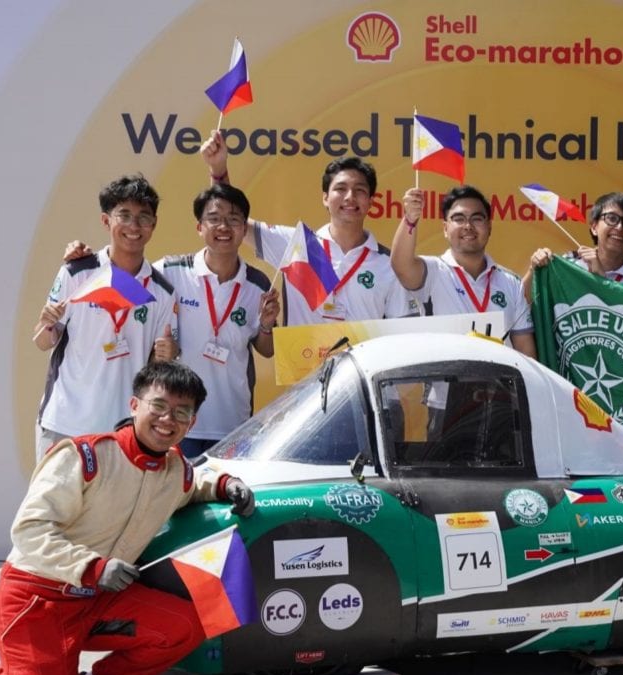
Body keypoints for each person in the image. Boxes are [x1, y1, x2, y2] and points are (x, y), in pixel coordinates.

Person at [0, 362, 256, 675]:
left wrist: (225, 485)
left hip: (98, 601)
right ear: (134, 406)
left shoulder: (174, 470)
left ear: (192, 423)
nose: (168, 419)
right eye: (159, 406)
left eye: (182, 412)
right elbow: (29, 530)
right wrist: (91, 567)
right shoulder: (86, 457)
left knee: (185, 627)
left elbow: (193, 486)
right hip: (36, 602)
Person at [63, 184, 282, 459]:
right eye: (214, 219)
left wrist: (266, 324)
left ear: (243, 229)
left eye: (234, 219)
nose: (223, 227)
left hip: (232, 421)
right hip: (175, 422)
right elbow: (122, 275)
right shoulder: (169, 271)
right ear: (199, 227)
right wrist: (84, 256)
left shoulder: (258, 283)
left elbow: (267, 349)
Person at [200, 129, 416, 325]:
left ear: (370, 201)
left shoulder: (388, 264)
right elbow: (234, 222)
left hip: (359, 369)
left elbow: (400, 333)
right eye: (340, 189)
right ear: (325, 198)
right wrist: (218, 169)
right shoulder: (298, 244)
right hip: (302, 367)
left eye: (359, 190)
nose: (350, 197)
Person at [34, 175, 179, 459]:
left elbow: (157, 365)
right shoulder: (77, 273)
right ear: (106, 220)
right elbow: (42, 341)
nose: (134, 226)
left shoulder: (162, 292)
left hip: (121, 431)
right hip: (64, 423)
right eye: (123, 215)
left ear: (154, 224)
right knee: (55, 505)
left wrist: (168, 355)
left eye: (143, 217)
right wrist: (46, 322)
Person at [390, 185, 537, 358]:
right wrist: (409, 220)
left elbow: (525, 350)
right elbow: (401, 266)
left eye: (477, 219)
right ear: (445, 228)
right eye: (458, 219)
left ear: (489, 227)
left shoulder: (511, 282)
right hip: (445, 383)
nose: (468, 226)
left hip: (499, 384)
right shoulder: (433, 271)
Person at [524, 191, 623, 297]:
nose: (619, 227)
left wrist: (601, 281)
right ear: (594, 227)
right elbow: (522, 304)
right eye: (612, 218)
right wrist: (533, 270)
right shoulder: (568, 264)